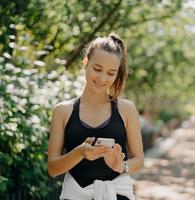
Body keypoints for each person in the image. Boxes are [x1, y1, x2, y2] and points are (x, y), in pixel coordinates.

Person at [47, 33, 144, 200]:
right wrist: (80, 153)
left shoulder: (126, 109)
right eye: (97, 69)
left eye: (111, 73)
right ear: (86, 62)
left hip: (117, 195)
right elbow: (53, 168)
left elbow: (139, 160)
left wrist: (122, 165)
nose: (102, 78)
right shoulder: (62, 111)